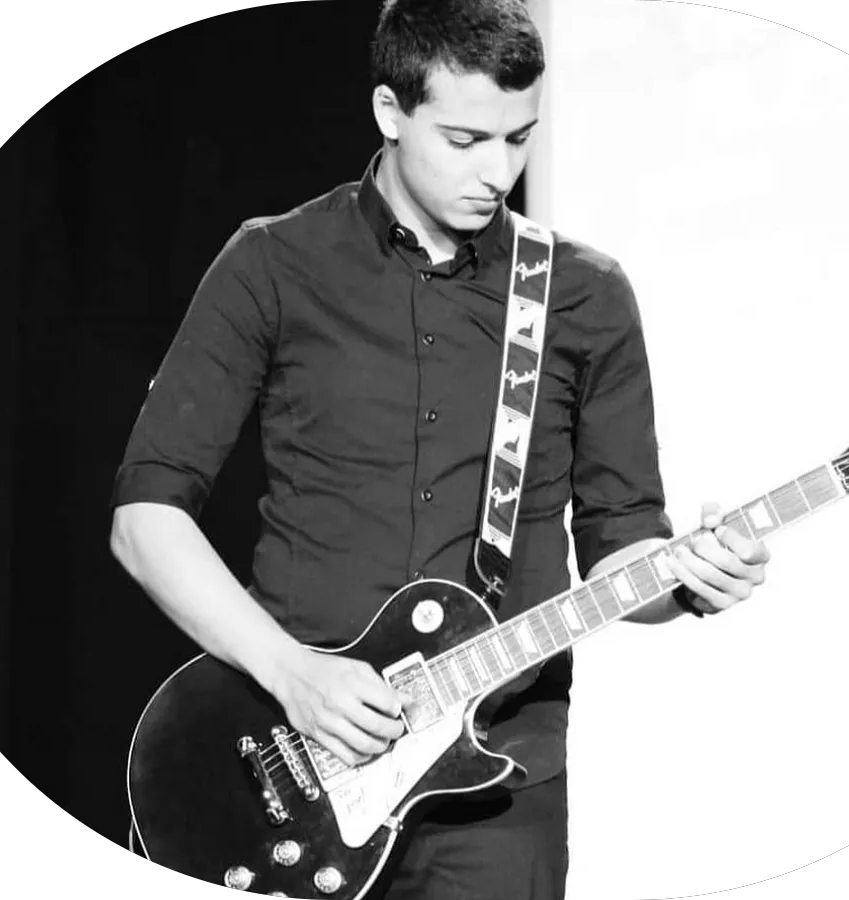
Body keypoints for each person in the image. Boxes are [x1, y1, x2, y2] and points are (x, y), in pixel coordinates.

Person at [109, 1, 770, 898]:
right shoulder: (272, 265)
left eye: (519, 138)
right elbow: (145, 520)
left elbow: (625, 547)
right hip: (292, 762)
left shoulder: (583, 296)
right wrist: (293, 674)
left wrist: (693, 580)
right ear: (390, 111)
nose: (498, 172)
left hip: (498, 787)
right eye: (465, 140)